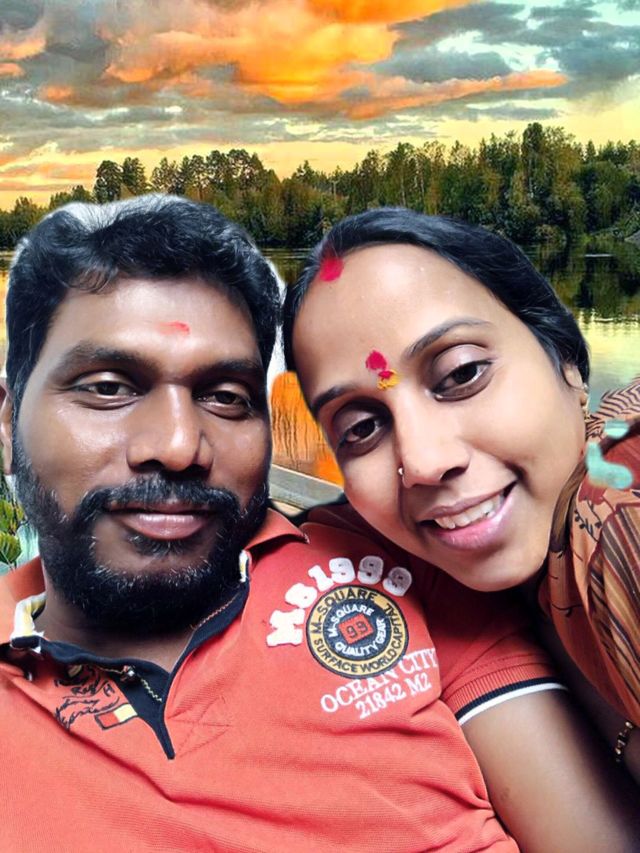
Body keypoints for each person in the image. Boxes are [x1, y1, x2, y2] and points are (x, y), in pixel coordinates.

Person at [0, 196, 636, 853]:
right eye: (108, 387)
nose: (180, 444)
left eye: (226, 397)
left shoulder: (388, 565)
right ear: (7, 420)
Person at [283, 206, 640, 780]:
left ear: (566, 360)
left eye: (461, 374)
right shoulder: (416, 579)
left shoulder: (620, 505)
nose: (424, 462)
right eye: (361, 428)